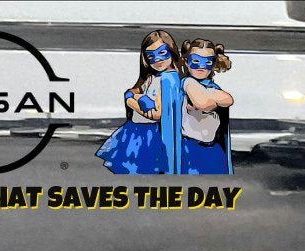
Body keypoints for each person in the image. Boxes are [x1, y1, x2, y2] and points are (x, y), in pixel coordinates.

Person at [96, 30, 184, 175]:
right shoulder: (154, 77)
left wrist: (131, 101)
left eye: (162, 53)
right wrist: (137, 96)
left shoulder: (168, 80)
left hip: (149, 135)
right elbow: (138, 90)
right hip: (137, 131)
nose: (157, 59)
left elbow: (157, 114)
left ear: (171, 51)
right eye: (151, 56)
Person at [179, 38, 235, 175]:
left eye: (208, 62)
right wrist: (213, 100)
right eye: (196, 61)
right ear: (186, 61)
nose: (201, 67)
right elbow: (203, 103)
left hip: (212, 146)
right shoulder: (188, 82)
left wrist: (209, 97)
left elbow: (228, 99)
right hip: (190, 147)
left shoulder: (211, 86)